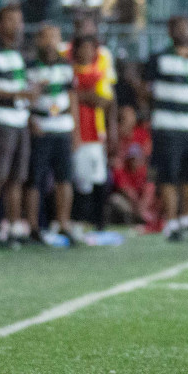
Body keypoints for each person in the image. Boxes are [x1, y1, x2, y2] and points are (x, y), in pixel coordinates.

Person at [143, 15, 188, 241]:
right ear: (170, 32)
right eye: (178, 27)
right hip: (166, 122)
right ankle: (171, 222)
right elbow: (144, 88)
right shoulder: (159, 59)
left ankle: (187, 219)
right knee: (168, 174)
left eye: (187, 26)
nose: (184, 31)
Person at [0, 4, 34, 249]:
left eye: (19, 21)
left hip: (20, 121)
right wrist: (19, 93)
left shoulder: (21, 53)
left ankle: (12, 228)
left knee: (16, 179)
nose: (17, 26)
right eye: (11, 20)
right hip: (1, 121)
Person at [27, 23, 78, 244]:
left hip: (63, 125)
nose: (50, 42)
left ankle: (63, 222)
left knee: (64, 178)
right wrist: (30, 120)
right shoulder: (30, 66)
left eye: (55, 36)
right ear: (38, 40)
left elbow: (73, 97)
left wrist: (76, 129)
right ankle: (32, 226)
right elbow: (23, 97)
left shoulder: (66, 66)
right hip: (40, 125)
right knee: (35, 179)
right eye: (46, 37)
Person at [71, 34, 115, 232]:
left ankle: (99, 223)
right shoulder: (69, 71)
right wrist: (88, 96)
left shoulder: (100, 73)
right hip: (75, 133)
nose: (87, 52)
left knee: (98, 178)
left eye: (91, 48)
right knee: (79, 180)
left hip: (96, 133)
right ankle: (78, 222)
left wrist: (80, 95)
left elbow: (104, 101)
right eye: (83, 47)